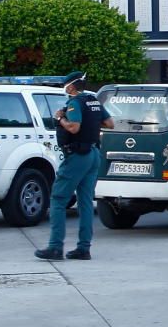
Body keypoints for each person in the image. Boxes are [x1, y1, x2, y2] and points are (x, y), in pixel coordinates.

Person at [35, 71, 113, 261]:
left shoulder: (75, 103)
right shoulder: (94, 101)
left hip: (78, 156)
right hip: (94, 153)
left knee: (59, 199)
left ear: (70, 87)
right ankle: (84, 248)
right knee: (85, 202)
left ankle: (55, 247)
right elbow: (109, 123)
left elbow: (74, 127)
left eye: (66, 86)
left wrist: (60, 118)